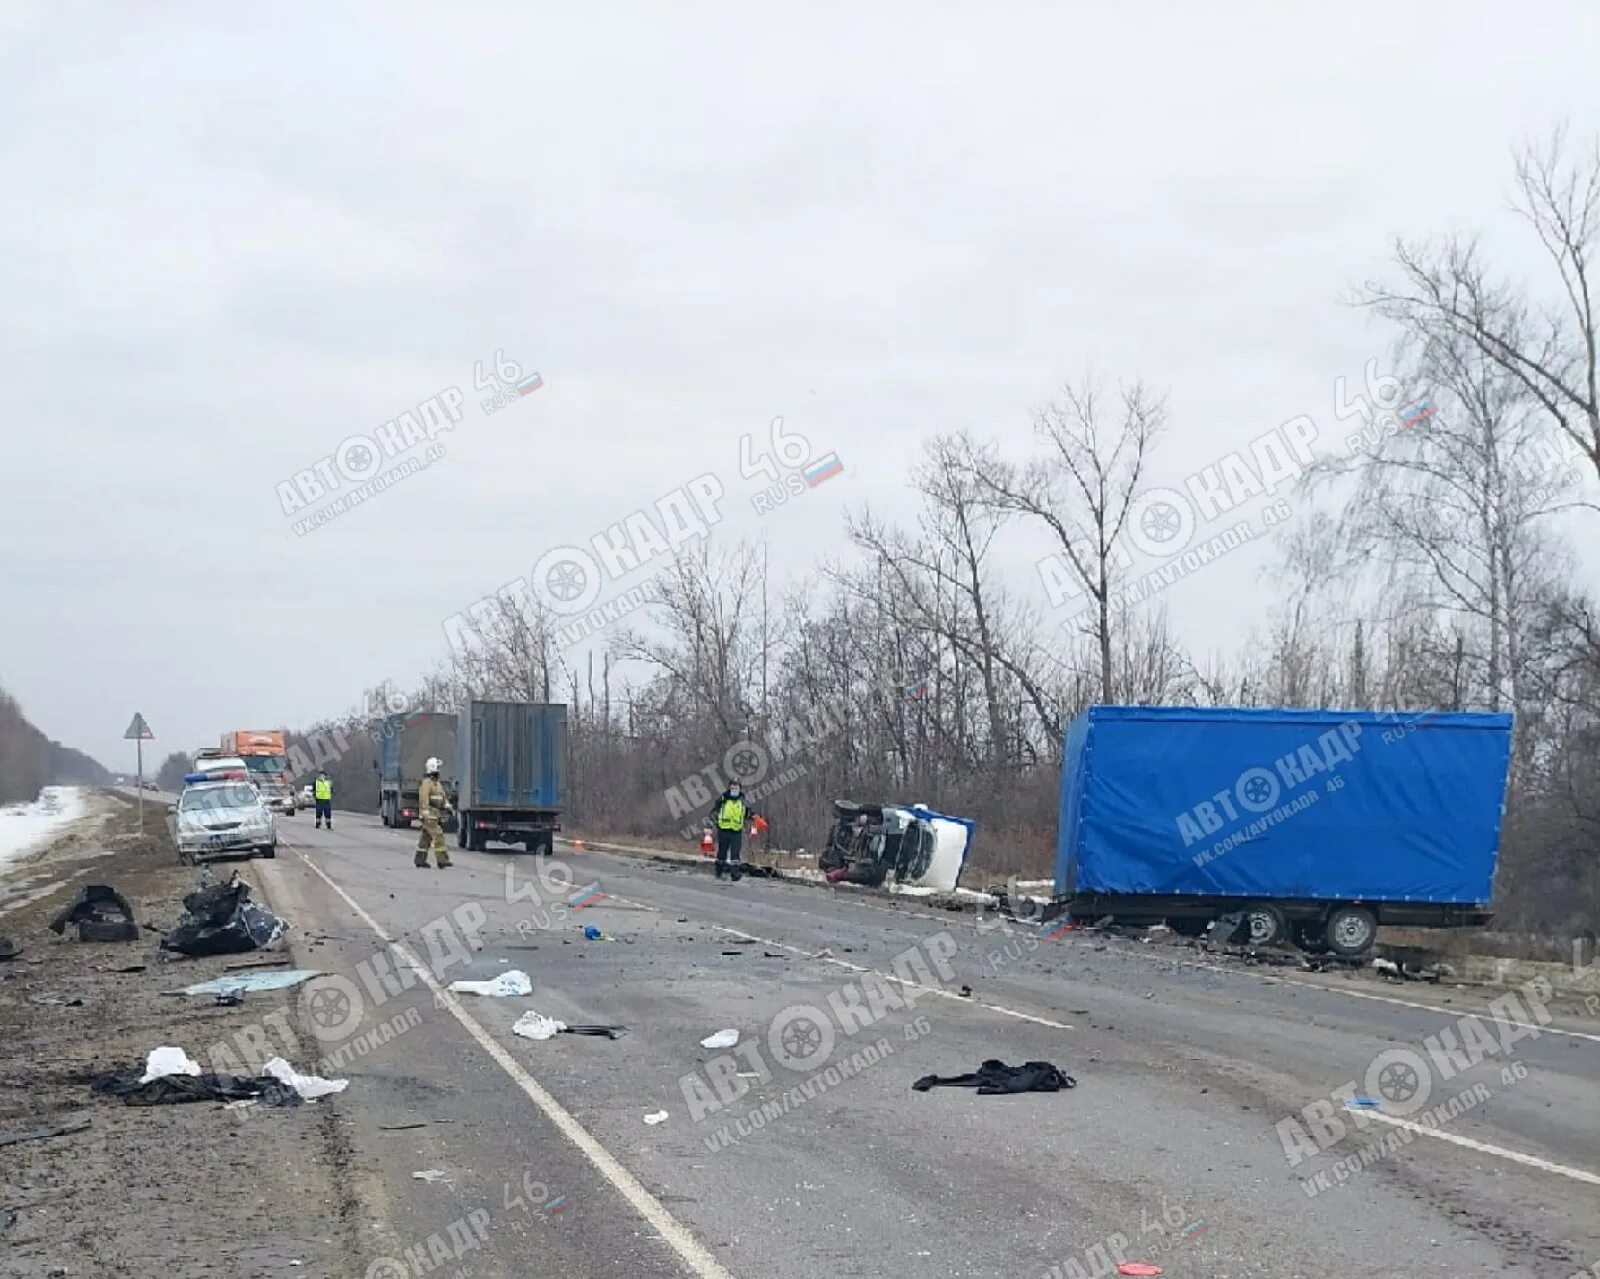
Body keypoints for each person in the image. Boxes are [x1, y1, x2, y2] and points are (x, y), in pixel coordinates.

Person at [708, 783, 757, 881]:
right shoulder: (723, 800)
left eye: (736, 788)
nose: (734, 790)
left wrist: (753, 817)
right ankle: (719, 871)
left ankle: (735, 874)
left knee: (735, 853)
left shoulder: (743, 801)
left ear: (740, 789)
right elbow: (713, 813)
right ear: (729, 789)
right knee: (722, 853)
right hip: (723, 829)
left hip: (736, 830)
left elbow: (748, 813)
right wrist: (711, 825)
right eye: (732, 788)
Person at [415, 756, 454, 869]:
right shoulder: (427, 783)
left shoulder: (437, 783)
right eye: (438, 767)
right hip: (429, 815)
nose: (439, 770)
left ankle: (420, 860)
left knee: (426, 838)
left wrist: (447, 805)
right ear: (433, 768)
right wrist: (425, 812)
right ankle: (442, 860)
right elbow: (424, 797)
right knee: (438, 834)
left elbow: (442, 796)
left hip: (435, 814)